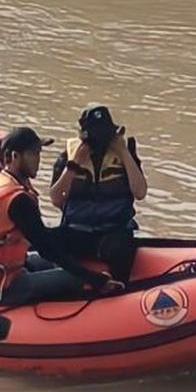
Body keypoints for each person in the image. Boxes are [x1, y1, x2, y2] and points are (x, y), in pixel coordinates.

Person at [0, 127, 122, 306]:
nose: (38, 160)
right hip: (3, 287)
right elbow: (48, 248)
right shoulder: (17, 199)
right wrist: (96, 280)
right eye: (33, 154)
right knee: (76, 277)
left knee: (47, 263)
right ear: (15, 156)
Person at [49, 106, 147, 283]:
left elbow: (140, 192)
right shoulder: (68, 157)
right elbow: (56, 198)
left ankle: (120, 292)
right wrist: (74, 164)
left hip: (114, 231)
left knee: (120, 249)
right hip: (78, 230)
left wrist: (124, 153)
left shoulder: (125, 154)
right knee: (54, 243)